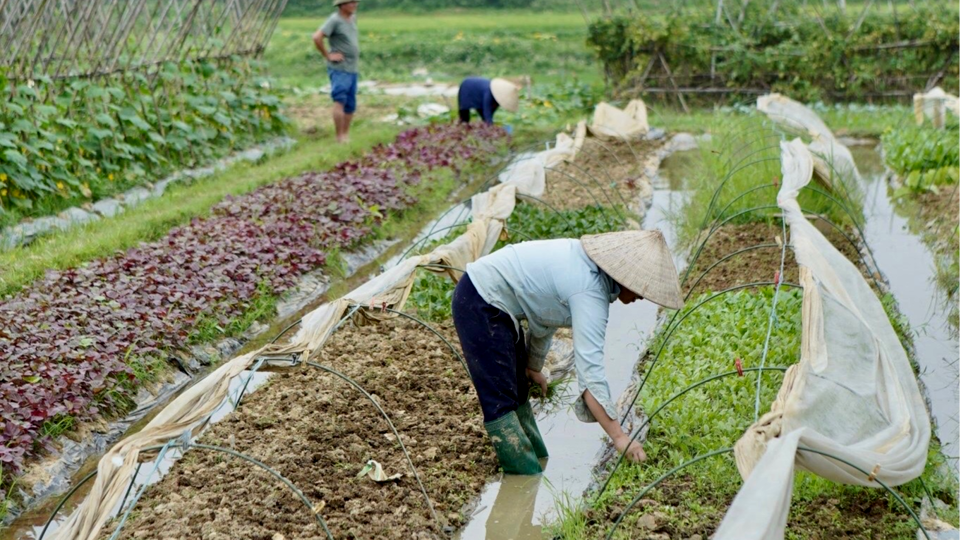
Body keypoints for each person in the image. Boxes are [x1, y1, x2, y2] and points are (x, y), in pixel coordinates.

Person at [451, 230, 683, 475]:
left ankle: (537, 463)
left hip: (499, 302)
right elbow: (590, 376)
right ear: (625, 277)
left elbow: (544, 316)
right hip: (479, 299)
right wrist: (619, 437)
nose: (641, 296)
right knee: (501, 401)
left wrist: (532, 366)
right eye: (640, 288)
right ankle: (524, 478)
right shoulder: (588, 291)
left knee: (518, 390)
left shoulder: (583, 267)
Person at [313, 0, 360, 143]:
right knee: (340, 100)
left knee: (350, 103)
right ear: (342, 5)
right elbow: (317, 37)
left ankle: (345, 135)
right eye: (351, 3)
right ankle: (339, 136)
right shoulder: (335, 20)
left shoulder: (352, 18)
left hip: (352, 67)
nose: (355, 5)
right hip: (340, 68)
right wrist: (328, 55)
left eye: (355, 2)